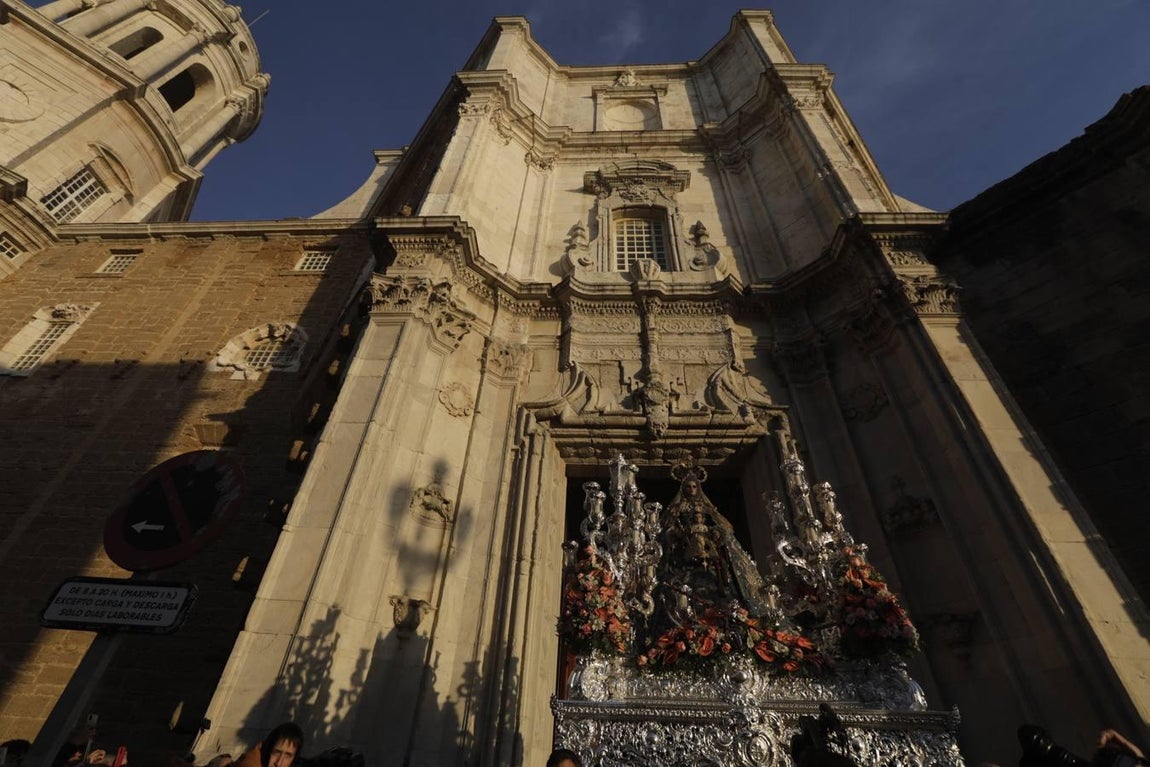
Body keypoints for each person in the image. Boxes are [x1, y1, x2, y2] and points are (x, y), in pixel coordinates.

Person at [235, 723, 304, 767]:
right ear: (268, 748)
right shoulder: (252, 761)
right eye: (276, 753)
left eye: (288, 756)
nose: (279, 763)